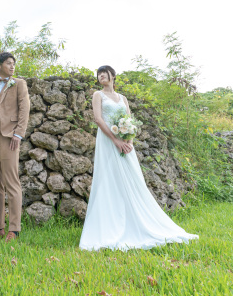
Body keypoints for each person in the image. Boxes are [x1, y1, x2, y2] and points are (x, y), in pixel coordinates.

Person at [79, 65, 198, 251]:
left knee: (132, 179)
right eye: (99, 74)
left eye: (105, 72)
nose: (101, 75)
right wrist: (115, 140)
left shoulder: (123, 98)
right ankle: (111, 224)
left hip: (126, 144)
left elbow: (130, 121)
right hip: (108, 141)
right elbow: (98, 119)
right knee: (109, 179)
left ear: (113, 75)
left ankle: (136, 220)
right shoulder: (98, 95)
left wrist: (129, 140)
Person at [0, 52, 30, 243]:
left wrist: (18, 133)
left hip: (9, 138)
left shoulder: (19, 84)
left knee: (12, 183)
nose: (12, 67)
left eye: (14, 64)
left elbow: (24, 109)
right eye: (9, 64)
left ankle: (14, 229)